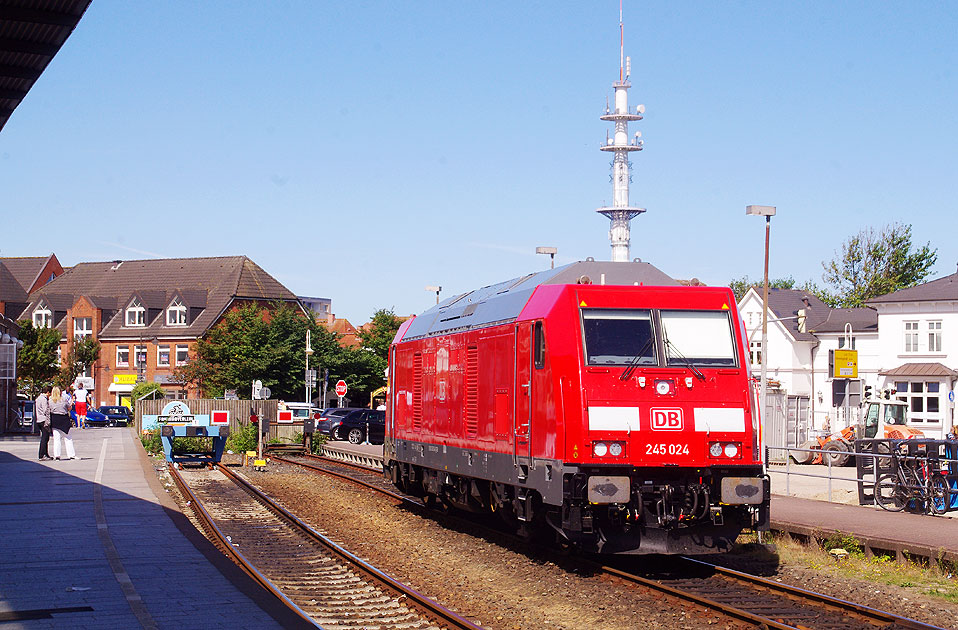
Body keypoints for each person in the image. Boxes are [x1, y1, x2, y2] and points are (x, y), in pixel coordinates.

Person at [49, 386, 76, 460]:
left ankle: (57, 455)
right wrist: (71, 404)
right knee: (68, 438)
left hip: (54, 419)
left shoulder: (50, 401)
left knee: (56, 439)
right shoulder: (63, 400)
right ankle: (71, 454)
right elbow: (68, 408)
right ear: (59, 392)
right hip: (63, 419)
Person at [35, 385, 53, 460]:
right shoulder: (44, 399)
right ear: (48, 392)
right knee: (45, 438)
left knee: (45, 438)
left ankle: (45, 453)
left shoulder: (38, 398)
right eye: (50, 393)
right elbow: (46, 410)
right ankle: (42, 455)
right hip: (43, 420)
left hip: (39, 419)